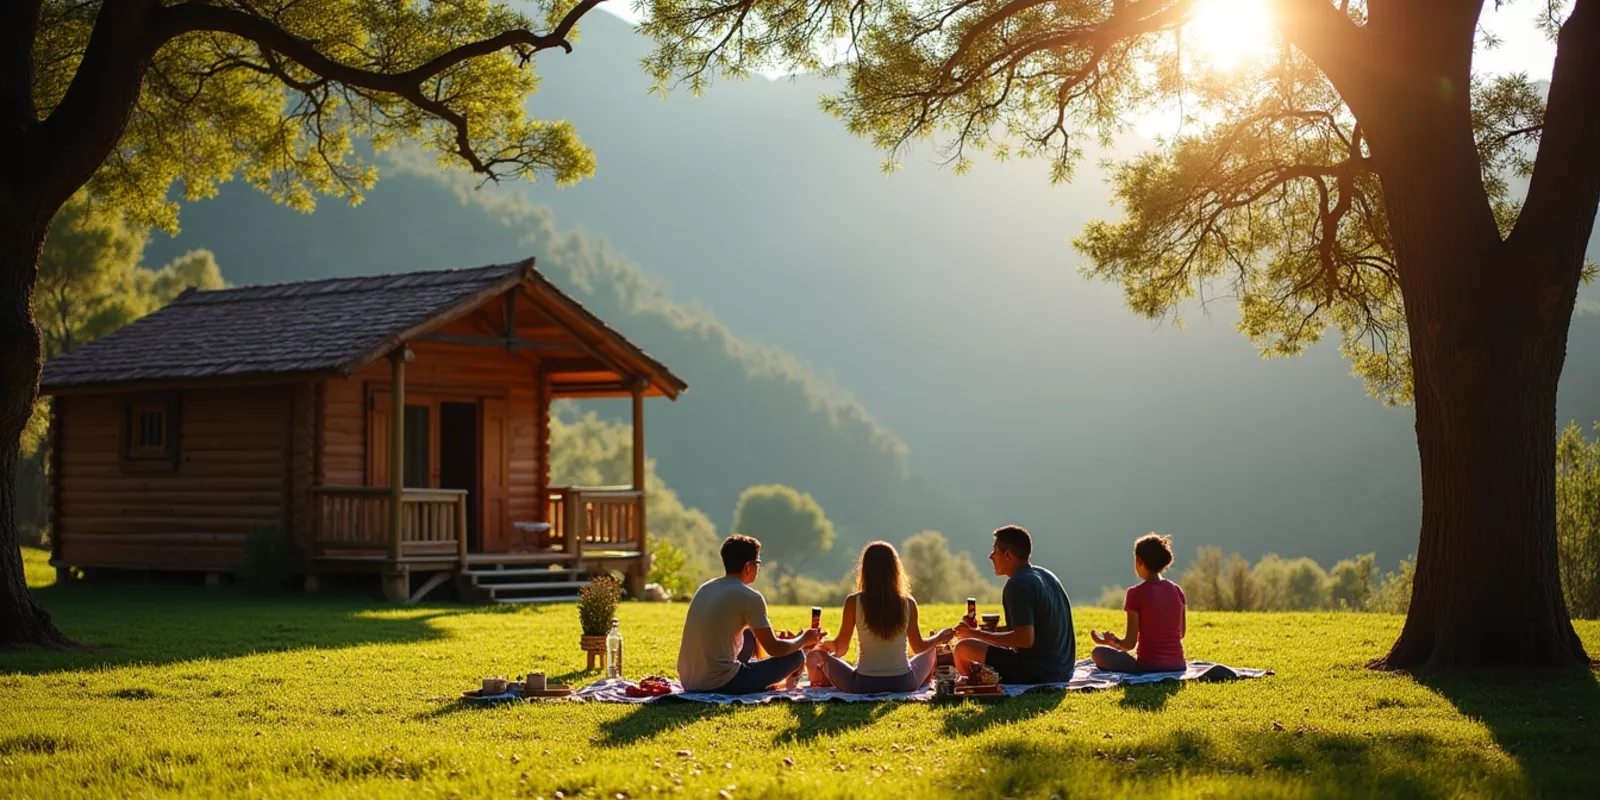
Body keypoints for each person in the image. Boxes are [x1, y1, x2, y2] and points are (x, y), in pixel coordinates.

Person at [676, 535, 825, 693]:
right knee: (796, 657)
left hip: (688, 680)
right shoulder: (750, 596)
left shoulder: (706, 588)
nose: (758, 568)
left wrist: (788, 643)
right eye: (758, 563)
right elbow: (774, 648)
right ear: (748, 566)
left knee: (748, 634)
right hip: (721, 683)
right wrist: (803, 639)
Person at [805, 541, 954, 693]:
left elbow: (840, 649)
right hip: (904, 683)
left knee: (817, 655)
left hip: (861, 685)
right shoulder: (908, 603)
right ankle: (926, 682)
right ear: (895, 570)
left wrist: (820, 644)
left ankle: (820, 682)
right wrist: (939, 637)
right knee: (931, 651)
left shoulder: (853, 602)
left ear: (865, 570)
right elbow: (919, 647)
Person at [952, 525, 1075, 684]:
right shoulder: (1046, 575)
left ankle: (979, 685)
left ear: (1008, 554)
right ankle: (985, 676)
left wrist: (975, 635)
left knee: (963, 648)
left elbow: (1024, 639)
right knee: (973, 644)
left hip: (1040, 672)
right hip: (1063, 668)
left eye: (995, 551)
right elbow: (1028, 630)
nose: (991, 556)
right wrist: (978, 631)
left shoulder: (1017, 585)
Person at [1090, 533, 1187, 673]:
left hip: (1148, 667)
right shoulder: (1177, 590)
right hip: (1178, 665)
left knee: (1098, 653)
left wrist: (1113, 642)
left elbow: (1129, 644)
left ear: (1139, 561)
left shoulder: (1135, 594)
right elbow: (1180, 634)